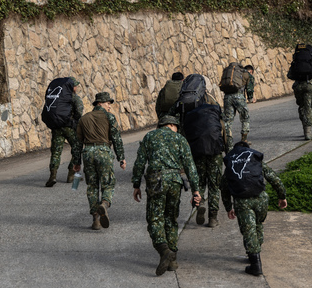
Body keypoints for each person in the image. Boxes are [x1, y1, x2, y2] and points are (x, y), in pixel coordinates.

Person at [132, 114, 201, 276]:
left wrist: (136, 184)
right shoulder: (180, 139)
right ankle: (173, 259)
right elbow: (190, 165)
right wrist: (196, 190)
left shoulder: (149, 136)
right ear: (172, 125)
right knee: (171, 219)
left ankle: (164, 250)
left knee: (155, 218)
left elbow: (140, 162)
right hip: (175, 181)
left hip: (156, 180)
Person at [220, 141, 287, 277]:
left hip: (243, 201)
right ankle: (254, 253)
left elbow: (224, 190)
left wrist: (228, 207)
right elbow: (274, 178)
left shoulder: (231, 166)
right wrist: (282, 196)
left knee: (248, 230)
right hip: (261, 198)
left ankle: (256, 265)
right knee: (257, 225)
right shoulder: (256, 162)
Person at [73, 91, 126, 230]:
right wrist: (121, 158)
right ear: (100, 103)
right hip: (104, 152)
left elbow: (78, 142)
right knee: (108, 183)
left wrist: (76, 162)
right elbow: (116, 139)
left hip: (88, 153)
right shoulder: (110, 117)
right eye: (108, 103)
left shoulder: (84, 119)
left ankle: (96, 218)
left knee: (92, 186)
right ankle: (104, 204)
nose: (109, 106)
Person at [181, 102, 226, 228]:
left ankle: (199, 204)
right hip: (215, 154)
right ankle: (213, 218)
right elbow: (227, 138)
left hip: (198, 153)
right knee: (214, 186)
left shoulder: (193, 120)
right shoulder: (218, 121)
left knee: (200, 182)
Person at [40, 77, 85, 187]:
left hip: (56, 127)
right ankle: (71, 174)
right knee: (77, 148)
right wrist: (75, 122)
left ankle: (53, 175)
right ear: (72, 87)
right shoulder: (73, 97)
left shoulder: (57, 98)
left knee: (56, 152)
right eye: (76, 86)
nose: (77, 87)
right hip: (69, 127)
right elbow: (79, 111)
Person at [286, 46, 312, 140]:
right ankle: (308, 132)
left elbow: (290, 75)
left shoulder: (295, 61)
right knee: (309, 108)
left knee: (302, 107)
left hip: (298, 86)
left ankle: (305, 126)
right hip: (309, 86)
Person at [221, 62, 251, 147]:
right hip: (238, 96)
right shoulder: (243, 72)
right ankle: (244, 139)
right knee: (245, 117)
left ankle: (227, 141)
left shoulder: (226, 71)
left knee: (227, 120)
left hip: (227, 97)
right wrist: (250, 98)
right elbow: (248, 87)